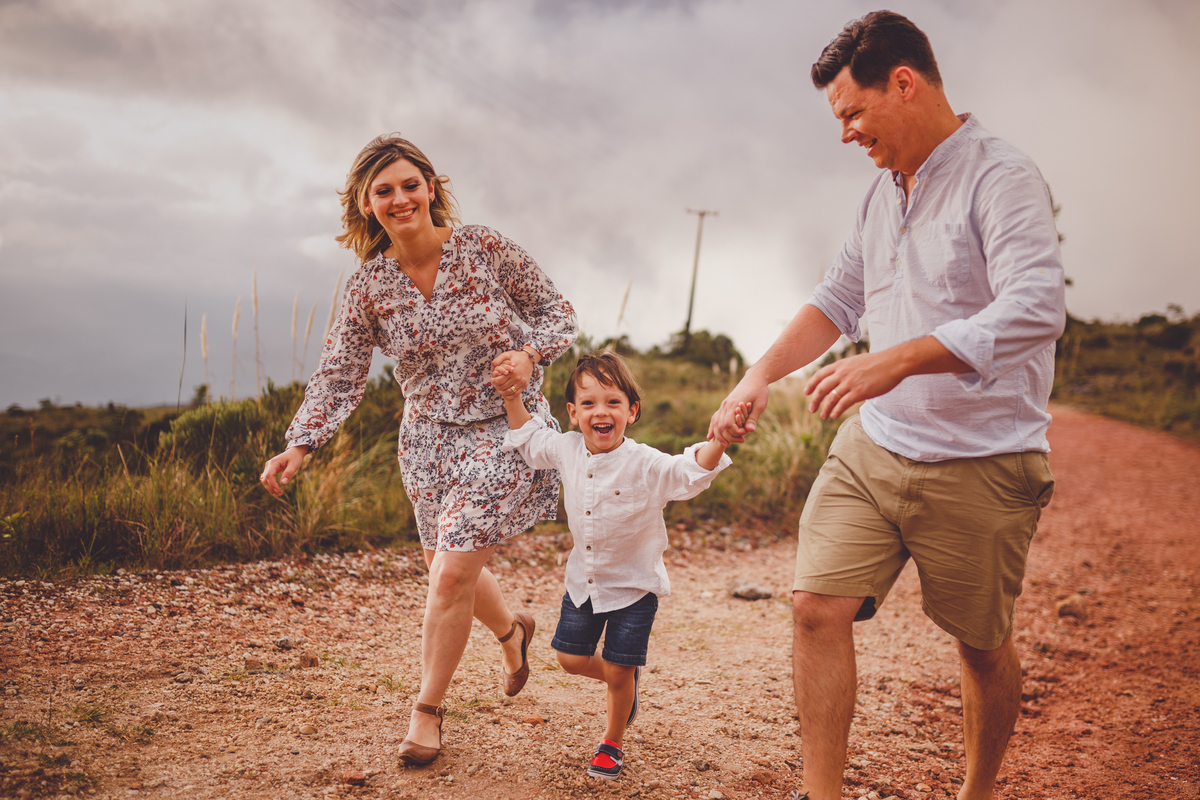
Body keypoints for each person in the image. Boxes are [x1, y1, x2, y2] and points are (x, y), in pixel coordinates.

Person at [709, 11, 1065, 800]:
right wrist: (758, 373)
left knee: (979, 647)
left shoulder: (1000, 177)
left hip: (984, 458)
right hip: (876, 449)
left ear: (903, 83)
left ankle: (976, 791)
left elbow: (1038, 305)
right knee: (813, 607)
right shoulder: (879, 196)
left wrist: (895, 360)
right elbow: (837, 299)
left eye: (853, 114)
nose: (846, 135)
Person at [260, 133, 578, 767]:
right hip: (428, 440)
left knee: (452, 571)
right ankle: (512, 632)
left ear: (432, 188)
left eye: (411, 184)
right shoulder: (368, 288)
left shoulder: (484, 248)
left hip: (506, 427)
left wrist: (529, 354)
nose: (400, 198)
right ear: (366, 204)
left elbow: (557, 312)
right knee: (446, 567)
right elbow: (340, 372)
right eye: (384, 191)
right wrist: (302, 443)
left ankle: (426, 711)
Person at [495, 352, 736, 780]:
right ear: (572, 413)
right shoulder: (567, 448)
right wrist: (512, 394)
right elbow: (531, 442)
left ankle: (611, 741)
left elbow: (688, 472)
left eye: (612, 402)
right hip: (583, 584)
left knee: (621, 667)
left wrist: (719, 439)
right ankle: (624, 684)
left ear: (632, 410)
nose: (600, 412)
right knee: (569, 659)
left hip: (634, 589)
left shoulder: (645, 463)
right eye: (588, 404)